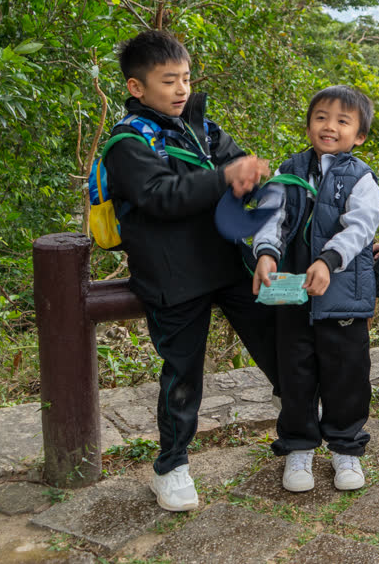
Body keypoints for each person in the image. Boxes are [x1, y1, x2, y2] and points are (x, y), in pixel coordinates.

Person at [102, 29, 278, 511]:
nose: (181, 89)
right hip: (172, 277)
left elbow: (237, 166)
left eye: (185, 78)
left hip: (227, 262)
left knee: (277, 337)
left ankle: (298, 425)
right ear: (137, 87)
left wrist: (252, 178)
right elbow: (160, 197)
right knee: (182, 374)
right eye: (168, 81)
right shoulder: (128, 143)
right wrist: (224, 177)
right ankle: (172, 466)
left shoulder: (202, 128)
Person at [251, 86, 379, 492]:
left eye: (343, 121)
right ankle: (299, 448)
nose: (330, 127)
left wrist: (328, 260)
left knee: (348, 376)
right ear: (309, 124)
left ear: (359, 135)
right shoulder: (288, 170)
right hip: (293, 295)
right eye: (322, 117)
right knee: (295, 375)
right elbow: (270, 217)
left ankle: (346, 448)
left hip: (343, 296)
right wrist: (266, 253)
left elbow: (362, 226)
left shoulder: (361, 178)